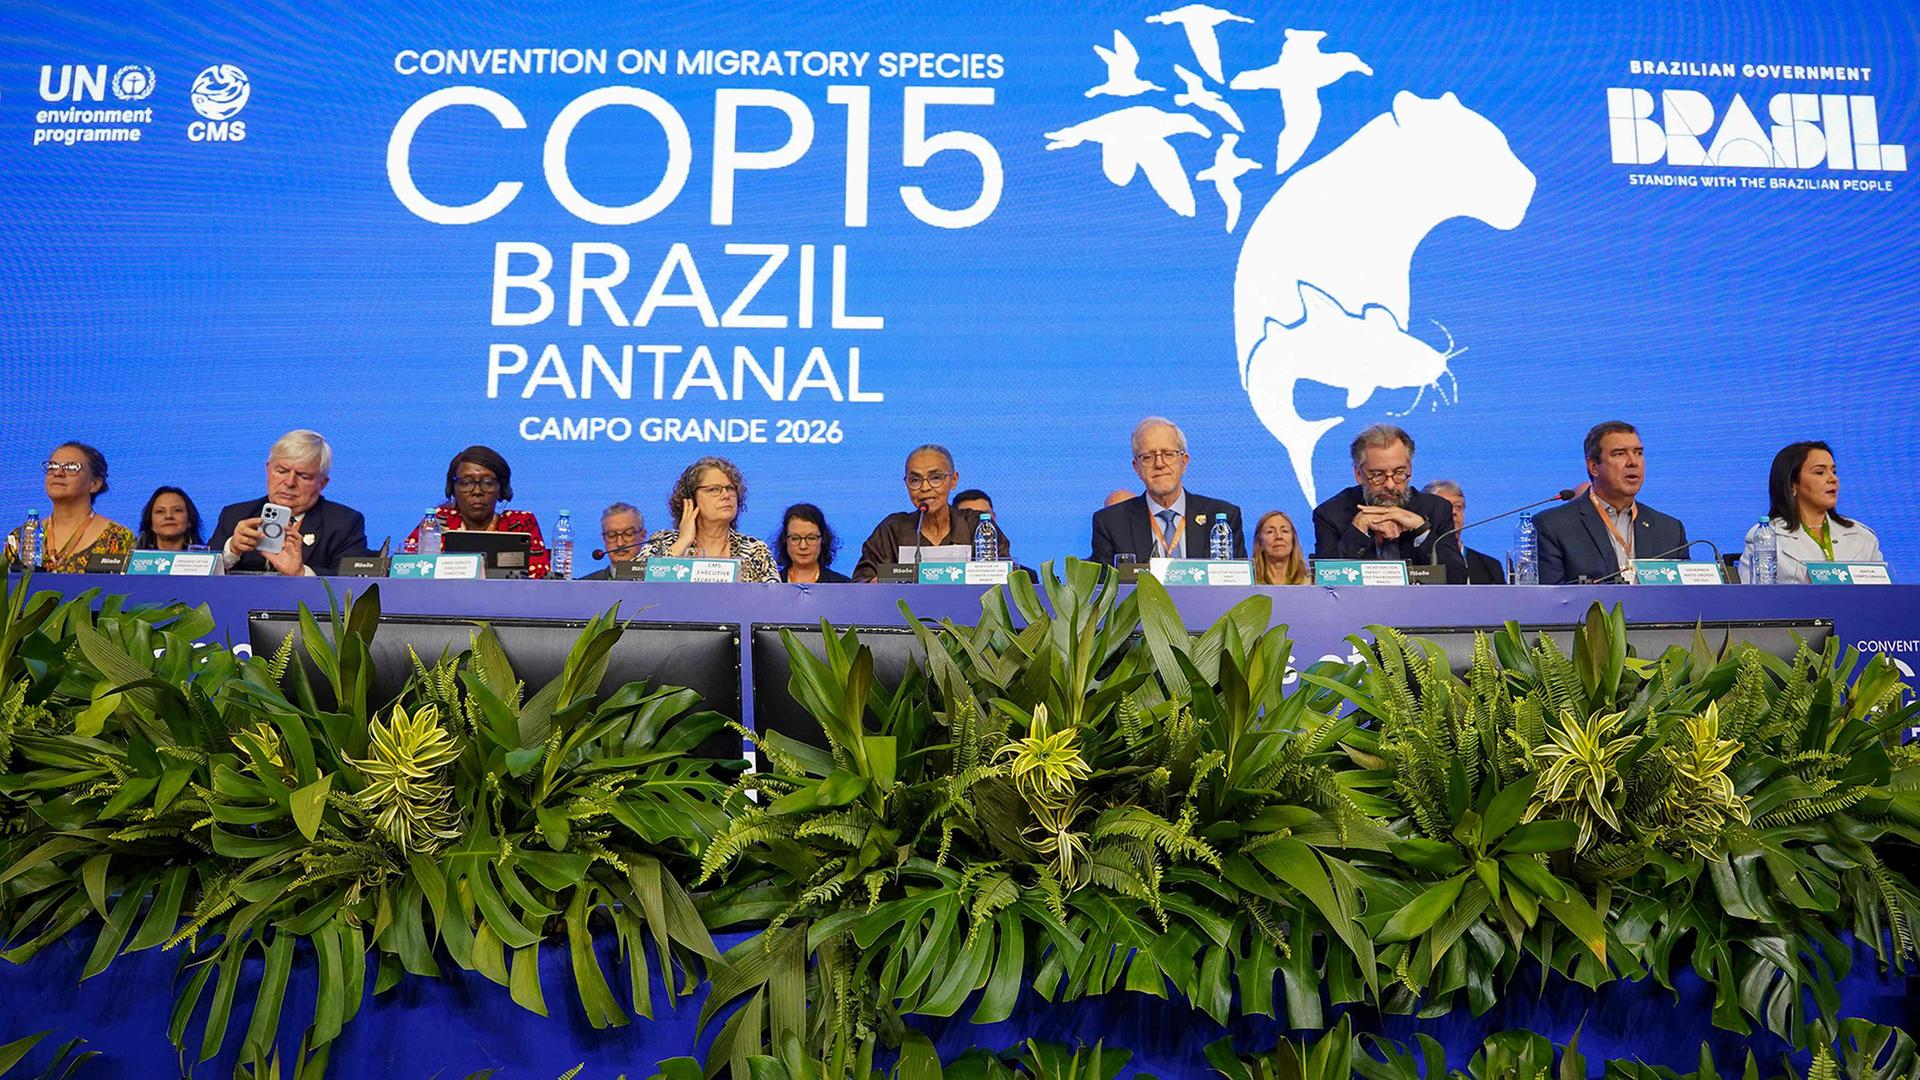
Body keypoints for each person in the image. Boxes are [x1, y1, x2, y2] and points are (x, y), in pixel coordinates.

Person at [1534, 421, 1688, 585]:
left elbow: (1684, 599)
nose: (1633, 462)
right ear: (1593, 466)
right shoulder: (1553, 526)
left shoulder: (1670, 530)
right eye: (1619, 453)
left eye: (1638, 453)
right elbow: (1550, 602)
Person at [1312, 424, 1464, 579]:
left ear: (1409, 469)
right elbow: (1326, 584)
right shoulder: (1331, 514)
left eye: (1399, 473)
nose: (1390, 485)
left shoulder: (1436, 510)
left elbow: (1457, 579)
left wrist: (1422, 529)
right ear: (1358, 474)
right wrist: (1358, 530)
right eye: (1378, 475)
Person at [210, 430, 369, 576]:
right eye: (281, 471)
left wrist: (301, 573)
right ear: (268, 470)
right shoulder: (234, 515)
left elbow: (353, 581)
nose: (290, 482)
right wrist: (232, 549)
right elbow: (199, 574)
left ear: (323, 483)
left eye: (303, 476)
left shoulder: (345, 523)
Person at [1090, 417, 1245, 564]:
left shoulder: (1223, 517)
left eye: (1168, 454)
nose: (1159, 464)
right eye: (1148, 457)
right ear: (1137, 468)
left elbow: (1238, 587)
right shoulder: (1111, 523)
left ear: (1184, 462)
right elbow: (1106, 590)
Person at [853, 444, 1012, 581]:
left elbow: (1002, 579)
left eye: (935, 478)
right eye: (915, 480)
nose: (925, 487)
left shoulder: (978, 526)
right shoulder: (892, 530)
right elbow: (863, 583)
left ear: (954, 480)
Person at [1738, 441, 1882, 583]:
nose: (1833, 479)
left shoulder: (1863, 537)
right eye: (1820, 472)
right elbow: (1749, 600)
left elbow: (1884, 598)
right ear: (1793, 484)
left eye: (1834, 471)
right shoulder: (1766, 536)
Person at [402, 446, 550, 578]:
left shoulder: (519, 524)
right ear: (453, 488)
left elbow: (539, 577)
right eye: (466, 483)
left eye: (488, 483)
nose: (477, 491)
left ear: (501, 489)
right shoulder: (436, 522)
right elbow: (404, 569)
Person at [638, 456, 778, 582]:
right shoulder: (665, 542)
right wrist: (682, 542)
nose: (726, 495)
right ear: (691, 499)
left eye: (730, 488)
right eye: (713, 489)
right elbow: (634, 582)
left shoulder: (754, 550)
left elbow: (775, 602)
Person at [6, 442, 134, 572]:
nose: (58, 473)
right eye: (52, 466)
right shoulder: (21, 538)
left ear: (95, 484)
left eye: (72, 467)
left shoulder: (118, 538)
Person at [1422, 480, 1505, 584]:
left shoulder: (1491, 567)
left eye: (1458, 507)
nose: (1454, 512)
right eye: (1445, 506)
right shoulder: (1414, 560)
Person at [774, 503, 850, 583]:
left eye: (811, 538)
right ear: (785, 540)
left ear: (823, 540)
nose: (803, 546)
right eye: (795, 538)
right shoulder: (771, 587)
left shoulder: (843, 586)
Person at [581, 502, 645, 580]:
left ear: (643, 535)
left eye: (628, 534)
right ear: (604, 538)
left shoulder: (659, 583)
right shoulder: (585, 586)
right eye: (611, 535)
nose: (620, 543)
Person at [136, 486, 205, 551]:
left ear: (189, 520)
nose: (169, 516)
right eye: (160, 511)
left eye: (177, 510)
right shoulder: (134, 560)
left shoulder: (206, 559)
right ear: (150, 522)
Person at [1252, 510, 1311, 585]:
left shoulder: (1311, 580)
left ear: (1293, 540)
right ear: (1260, 542)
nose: (1279, 536)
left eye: (1284, 531)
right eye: (1270, 531)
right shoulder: (1248, 581)